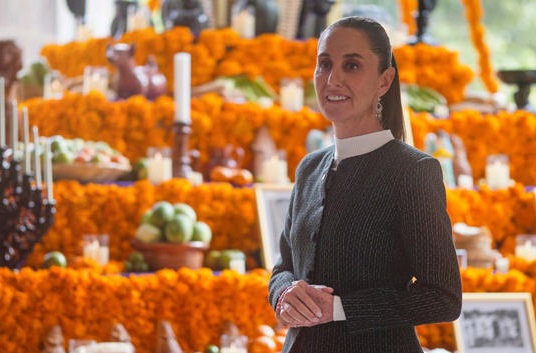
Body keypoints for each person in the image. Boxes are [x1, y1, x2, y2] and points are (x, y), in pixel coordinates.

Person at [268, 16, 462, 353]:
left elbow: (443, 297)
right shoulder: (309, 168)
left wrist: (339, 309)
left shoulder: (413, 171)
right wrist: (284, 292)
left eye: (352, 65)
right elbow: (283, 267)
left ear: (385, 80)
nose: (333, 79)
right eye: (324, 64)